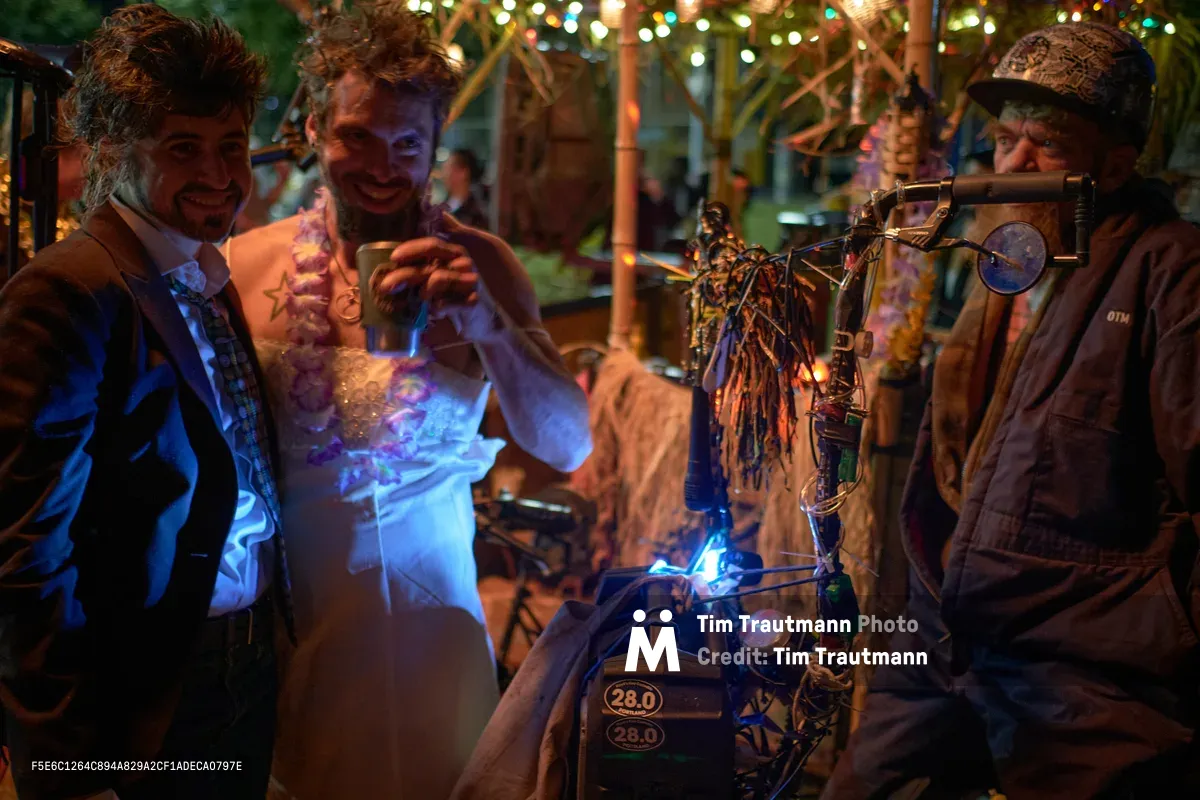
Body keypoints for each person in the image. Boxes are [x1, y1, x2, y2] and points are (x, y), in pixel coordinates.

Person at [223, 3, 592, 798]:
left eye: (407, 143)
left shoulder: (482, 264)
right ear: (317, 125)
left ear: (433, 148)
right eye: (358, 135)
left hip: (437, 634)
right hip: (297, 631)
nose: (382, 164)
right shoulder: (245, 268)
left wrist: (489, 328)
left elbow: (568, 446)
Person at [823, 23, 1200, 799]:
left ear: (1118, 164)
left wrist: (1168, 636)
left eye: (1047, 146)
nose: (1016, 166)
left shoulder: (1172, 267)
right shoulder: (1002, 262)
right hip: (948, 627)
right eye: (1005, 141)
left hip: (1082, 663)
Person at [0, 6, 287, 800]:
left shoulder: (202, 268)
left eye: (231, 148)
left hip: (249, 660)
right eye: (183, 148)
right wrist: (63, 765)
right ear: (114, 152)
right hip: (150, 686)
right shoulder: (66, 291)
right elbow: (26, 555)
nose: (218, 174)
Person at [443, 148, 490, 230]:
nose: (445, 174)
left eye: (449, 168)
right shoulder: (444, 205)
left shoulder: (474, 213)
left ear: (464, 172)